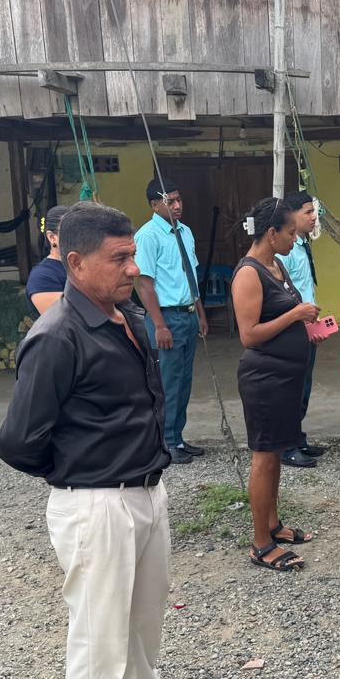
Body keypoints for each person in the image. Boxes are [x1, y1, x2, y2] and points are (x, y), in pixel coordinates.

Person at [0, 202, 207, 679]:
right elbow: (18, 442)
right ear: (76, 262)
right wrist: (80, 474)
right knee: (99, 636)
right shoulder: (57, 335)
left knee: (142, 620)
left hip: (145, 493)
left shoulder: (128, 316)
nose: (132, 267)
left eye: (132, 254)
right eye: (119, 258)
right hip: (95, 503)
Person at [233, 197, 321, 572]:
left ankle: (273, 524)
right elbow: (249, 334)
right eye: (289, 233)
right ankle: (260, 544)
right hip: (264, 380)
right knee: (264, 458)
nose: (294, 239)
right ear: (272, 233)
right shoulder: (249, 273)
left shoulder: (277, 265)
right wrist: (295, 314)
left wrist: (308, 328)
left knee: (275, 455)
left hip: (285, 376)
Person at [134, 177, 208, 464]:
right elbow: (144, 285)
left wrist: (200, 312)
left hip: (187, 314)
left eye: (179, 200)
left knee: (184, 380)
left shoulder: (185, 232)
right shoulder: (148, 235)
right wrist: (160, 325)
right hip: (165, 317)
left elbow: (191, 276)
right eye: (170, 201)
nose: (177, 206)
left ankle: (177, 437)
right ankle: (165, 441)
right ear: (155, 205)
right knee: (167, 382)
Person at [275, 189, 329, 468]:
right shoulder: (284, 251)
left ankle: (297, 438)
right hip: (293, 327)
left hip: (306, 325)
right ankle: (287, 446)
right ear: (292, 215)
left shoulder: (302, 245)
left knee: (303, 386)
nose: (313, 217)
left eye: (313, 211)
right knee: (292, 389)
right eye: (307, 212)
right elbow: (281, 292)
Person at [26, 204, 71, 318]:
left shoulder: (87, 265)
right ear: (52, 237)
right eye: (71, 231)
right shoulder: (42, 277)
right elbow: (65, 319)